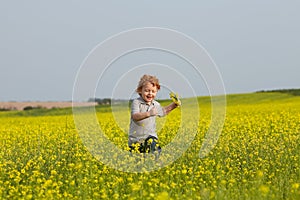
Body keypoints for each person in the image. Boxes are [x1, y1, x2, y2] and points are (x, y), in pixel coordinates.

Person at [128, 74, 181, 156]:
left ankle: (158, 164)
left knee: (155, 149)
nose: (150, 93)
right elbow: (135, 116)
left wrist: (174, 105)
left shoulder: (155, 104)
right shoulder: (136, 102)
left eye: (153, 91)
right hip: (136, 140)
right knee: (138, 163)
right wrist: (148, 113)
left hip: (150, 137)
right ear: (140, 90)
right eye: (147, 90)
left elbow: (163, 112)